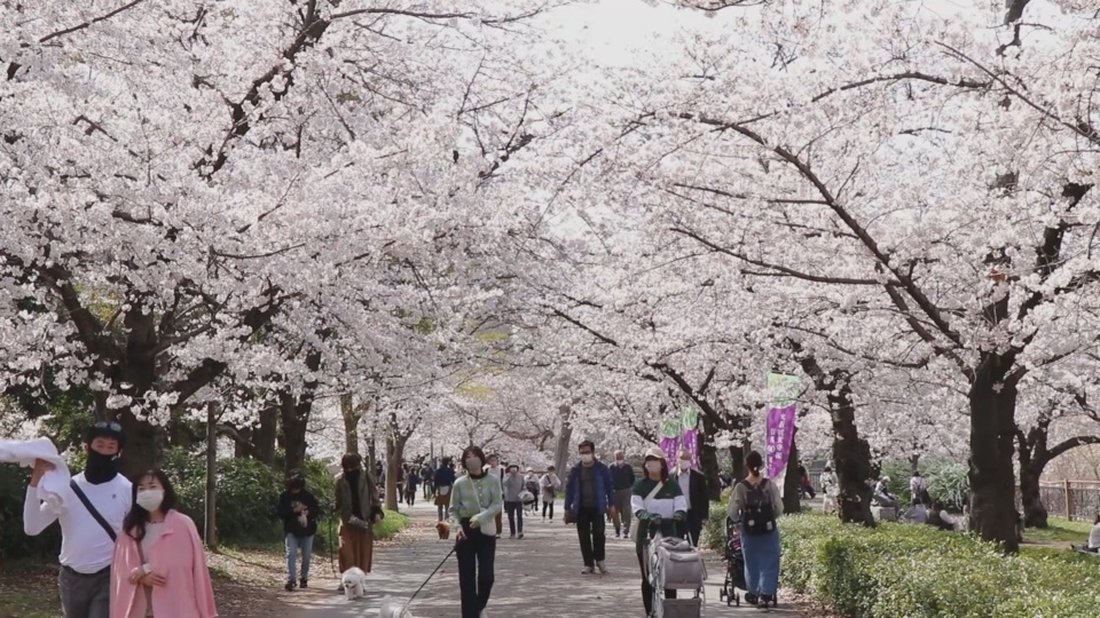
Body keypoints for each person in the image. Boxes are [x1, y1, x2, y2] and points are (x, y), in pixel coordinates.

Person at [24, 421, 132, 618]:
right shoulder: (67, 487)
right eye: (99, 445)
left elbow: (138, 535)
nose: (105, 452)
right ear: (87, 447)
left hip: (109, 575)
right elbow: (32, 526)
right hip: (71, 577)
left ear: (119, 452)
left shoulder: (127, 489)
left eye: (111, 447)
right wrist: (35, 481)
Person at [109, 469, 217, 618]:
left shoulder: (182, 524)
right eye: (141, 488)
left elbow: (185, 564)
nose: (147, 492)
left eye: (152, 486)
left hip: (176, 606)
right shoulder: (129, 529)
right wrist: (140, 576)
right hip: (140, 608)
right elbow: (120, 569)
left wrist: (145, 569)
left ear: (164, 490)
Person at [632, 447, 688, 616]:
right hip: (646, 535)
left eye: (655, 460)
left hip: (669, 534)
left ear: (662, 463)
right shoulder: (640, 486)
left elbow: (681, 505)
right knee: (647, 575)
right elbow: (637, 507)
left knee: (670, 576)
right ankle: (649, 611)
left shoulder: (672, 485)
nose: (652, 464)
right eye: (648, 461)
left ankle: (670, 609)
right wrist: (647, 516)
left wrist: (679, 514)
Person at [450, 445, 503, 618]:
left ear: (481, 458)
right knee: (467, 579)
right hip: (465, 532)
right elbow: (453, 510)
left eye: (474, 456)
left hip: (486, 530)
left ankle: (478, 607)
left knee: (487, 576)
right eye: (467, 457)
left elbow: (497, 504)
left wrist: (482, 517)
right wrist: (457, 527)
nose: (471, 460)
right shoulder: (459, 483)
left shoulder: (493, 480)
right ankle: (469, 615)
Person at [729, 450, 783, 607]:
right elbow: (779, 507)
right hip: (768, 528)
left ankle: (753, 591)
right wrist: (770, 517)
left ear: (747, 466)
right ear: (760, 465)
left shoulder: (741, 487)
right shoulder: (769, 485)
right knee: (770, 560)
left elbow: (732, 512)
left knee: (751, 562)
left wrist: (738, 521)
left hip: (749, 529)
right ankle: (766, 593)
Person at [563, 440, 616, 574]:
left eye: (587, 452)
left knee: (599, 534)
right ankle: (588, 563)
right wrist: (567, 507)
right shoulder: (576, 470)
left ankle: (600, 559)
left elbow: (609, 488)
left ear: (593, 452)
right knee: (584, 536)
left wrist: (612, 505)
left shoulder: (602, 469)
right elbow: (569, 489)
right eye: (582, 453)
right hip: (581, 507)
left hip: (598, 506)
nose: (585, 455)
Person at [335, 453, 383, 577]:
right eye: (347, 467)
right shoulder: (340, 480)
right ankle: (346, 577)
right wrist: (333, 507)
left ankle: (359, 578)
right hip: (347, 520)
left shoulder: (366, 476)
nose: (350, 470)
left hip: (364, 519)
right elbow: (338, 500)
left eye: (352, 466)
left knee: (362, 551)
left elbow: (374, 495)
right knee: (346, 550)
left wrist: (377, 512)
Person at [277, 469, 320, 591]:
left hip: (308, 530)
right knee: (291, 554)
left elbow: (316, 510)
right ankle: (292, 579)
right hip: (291, 530)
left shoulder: (308, 496)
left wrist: (308, 512)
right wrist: (294, 511)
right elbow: (281, 513)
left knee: (306, 556)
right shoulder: (284, 496)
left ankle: (304, 578)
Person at [672, 450, 709, 547]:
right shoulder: (671, 477)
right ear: (677, 460)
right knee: (676, 543)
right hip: (676, 514)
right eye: (682, 458)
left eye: (686, 459)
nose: (684, 461)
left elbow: (704, 497)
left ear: (690, 460)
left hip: (693, 513)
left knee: (692, 543)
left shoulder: (698, 477)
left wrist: (704, 515)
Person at [609, 450, 636, 539]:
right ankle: (617, 530)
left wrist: (629, 487)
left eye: (620, 457)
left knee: (626, 511)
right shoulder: (611, 467)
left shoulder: (628, 467)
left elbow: (632, 479)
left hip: (626, 491)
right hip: (615, 491)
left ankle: (626, 531)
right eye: (617, 457)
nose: (619, 459)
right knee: (615, 512)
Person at [502, 464, 526, 539]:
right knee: (511, 517)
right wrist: (510, 476)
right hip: (509, 499)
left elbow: (524, 486)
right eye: (512, 468)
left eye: (515, 468)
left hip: (519, 499)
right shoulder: (507, 476)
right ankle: (512, 533)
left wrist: (524, 492)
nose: (513, 470)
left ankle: (520, 531)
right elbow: (505, 484)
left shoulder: (521, 477)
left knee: (519, 516)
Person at [484, 454, 505, 539]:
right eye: (491, 460)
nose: (492, 462)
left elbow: (503, 482)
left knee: (498, 513)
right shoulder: (486, 470)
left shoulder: (501, 470)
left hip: (498, 493)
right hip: (488, 494)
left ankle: (498, 531)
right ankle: (489, 530)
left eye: (494, 460)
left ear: (497, 461)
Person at [434, 457, 457, 522]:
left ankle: (440, 519)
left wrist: (435, 489)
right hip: (448, 487)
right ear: (448, 463)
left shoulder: (438, 471)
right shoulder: (450, 471)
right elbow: (453, 480)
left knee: (440, 505)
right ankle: (447, 518)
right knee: (447, 504)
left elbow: (435, 480)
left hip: (440, 487)